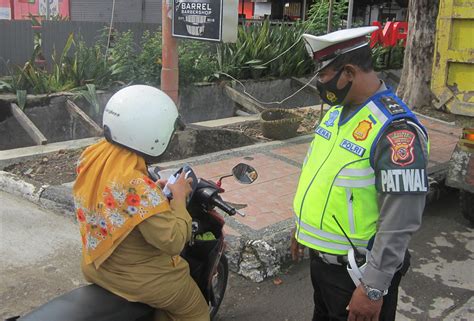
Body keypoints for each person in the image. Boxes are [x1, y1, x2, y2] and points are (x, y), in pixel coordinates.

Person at [291, 27, 429, 321]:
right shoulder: (336, 112)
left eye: (324, 75)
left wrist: (373, 288)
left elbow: (401, 217)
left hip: (358, 275)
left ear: (349, 73)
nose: (319, 82)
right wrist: (301, 228)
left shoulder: (395, 130)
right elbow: (320, 175)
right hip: (323, 268)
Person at [73, 85, 210, 321]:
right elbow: (173, 242)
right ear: (152, 134)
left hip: (96, 266)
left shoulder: (94, 156)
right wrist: (177, 199)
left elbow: (118, 200)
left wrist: (152, 194)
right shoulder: (138, 189)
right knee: (195, 311)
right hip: (140, 279)